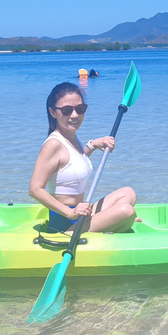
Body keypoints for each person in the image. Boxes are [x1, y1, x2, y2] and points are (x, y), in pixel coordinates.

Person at [29, 82, 138, 234]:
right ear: (53, 112)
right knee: (126, 210)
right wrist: (70, 213)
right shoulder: (53, 144)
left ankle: (115, 221)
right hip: (65, 223)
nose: (74, 115)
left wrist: (92, 145)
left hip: (81, 213)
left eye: (80, 109)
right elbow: (35, 189)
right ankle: (119, 222)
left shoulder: (71, 137)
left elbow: (72, 164)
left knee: (128, 193)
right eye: (66, 110)